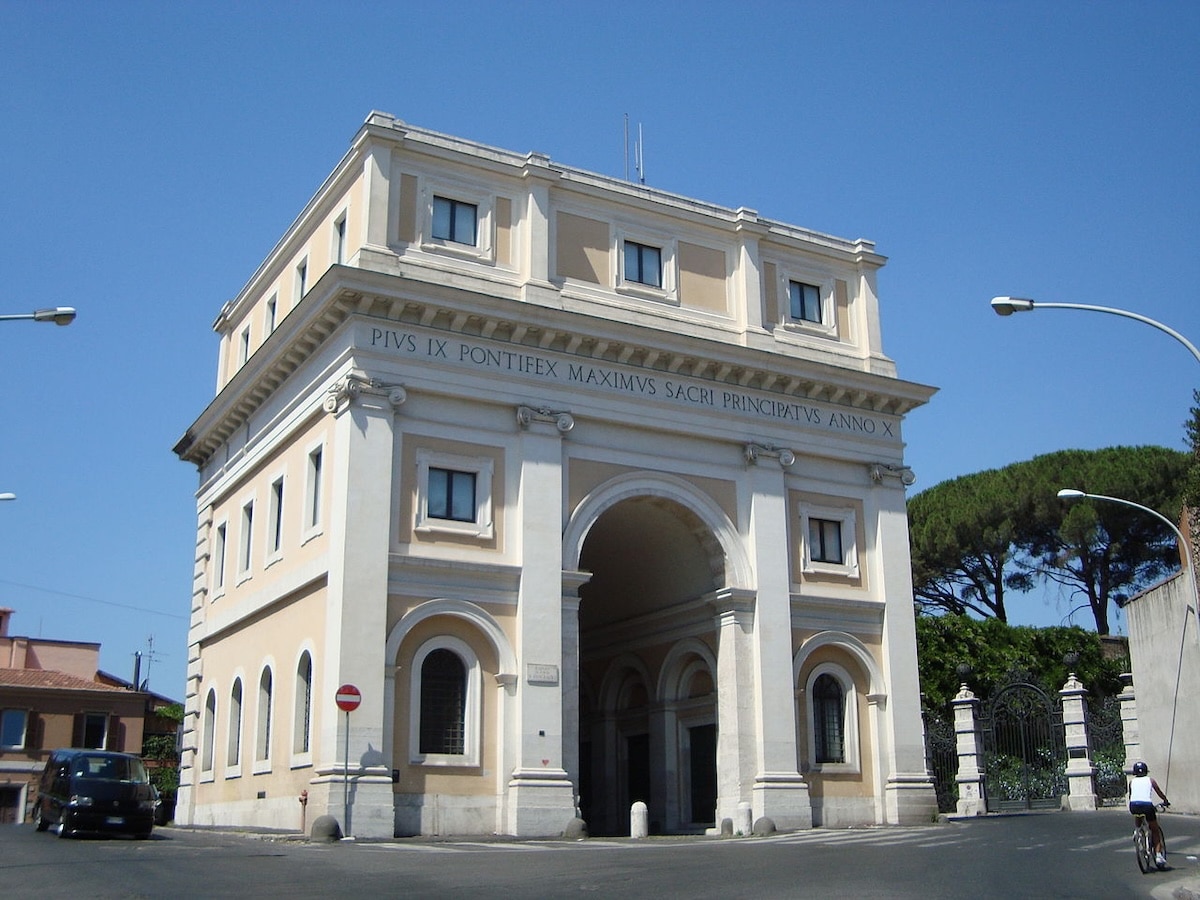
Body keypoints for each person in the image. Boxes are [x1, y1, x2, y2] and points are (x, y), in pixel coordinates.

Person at [1128, 761, 1170, 867]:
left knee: (1138, 814)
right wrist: (1165, 800)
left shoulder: (1132, 782)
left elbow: (1132, 795)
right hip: (1147, 806)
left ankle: (1137, 831)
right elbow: (1158, 791)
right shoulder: (1150, 780)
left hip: (1133, 805)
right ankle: (1159, 855)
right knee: (1155, 829)